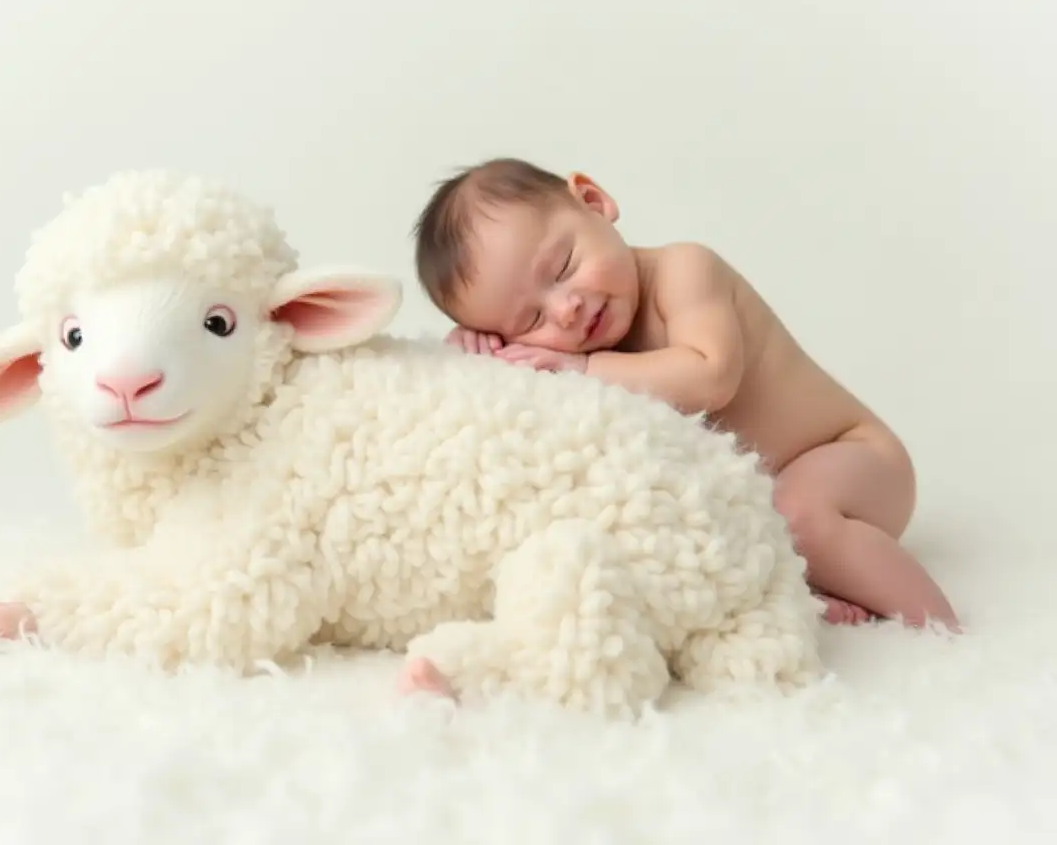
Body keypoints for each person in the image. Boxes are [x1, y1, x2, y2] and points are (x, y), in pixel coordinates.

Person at [409, 156, 960, 633]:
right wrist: (485, 356)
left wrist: (579, 364)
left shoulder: (684, 270)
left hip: (855, 459)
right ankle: (827, 585)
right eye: (529, 318)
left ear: (594, 201)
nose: (566, 307)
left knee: (797, 511)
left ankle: (940, 630)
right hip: (770, 510)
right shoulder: (575, 354)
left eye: (565, 267)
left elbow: (710, 377)